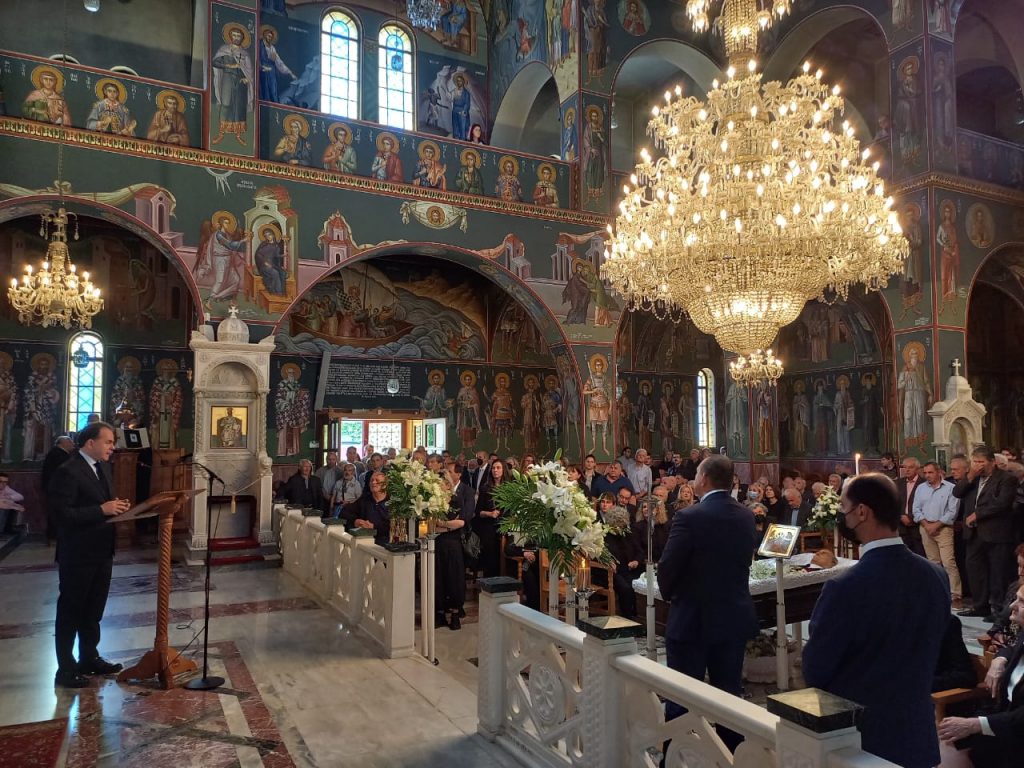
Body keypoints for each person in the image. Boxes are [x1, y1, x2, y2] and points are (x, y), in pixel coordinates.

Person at [802, 473, 950, 768]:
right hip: (916, 734)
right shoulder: (936, 575)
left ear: (861, 512)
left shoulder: (846, 587)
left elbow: (816, 668)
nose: (842, 516)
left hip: (862, 739)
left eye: (844, 508)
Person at [657, 455, 758, 752]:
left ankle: (676, 757)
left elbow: (669, 567)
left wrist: (670, 595)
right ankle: (731, 755)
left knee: (682, 696)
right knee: (729, 696)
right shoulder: (746, 515)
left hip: (693, 618)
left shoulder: (690, 517)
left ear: (704, 479)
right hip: (732, 617)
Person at [49, 422, 131, 688]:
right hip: (78, 553)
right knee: (71, 611)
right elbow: (61, 515)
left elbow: (102, 503)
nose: (112, 447)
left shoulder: (103, 467)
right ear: (90, 443)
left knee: (94, 610)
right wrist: (102, 510)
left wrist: (116, 507)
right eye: (108, 442)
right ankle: (65, 668)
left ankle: (89, 658)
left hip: (102, 550)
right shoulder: (68, 471)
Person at [938, 581, 1024, 765]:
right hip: (1004, 720)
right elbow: (1011, 648)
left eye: (1021, 601)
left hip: (1016, 732)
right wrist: (1000, 659)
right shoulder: (1022, 635)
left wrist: (977, 724)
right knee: (949, 741)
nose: (1012, 606)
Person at [955, 446, 1018, 620]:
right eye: (975, 461)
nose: (978, 465)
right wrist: (970, 476)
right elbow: (957, 492)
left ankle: (998, 610)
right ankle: (980, 606)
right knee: (975, 570)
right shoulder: (973, 478)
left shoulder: (1006, 479)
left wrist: (978, 514)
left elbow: (1002, 503)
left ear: (992, 462)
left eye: (981, 462)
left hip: (996, 533)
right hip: (973, 533)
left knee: (998, 572)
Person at [436, 468, 473, 630]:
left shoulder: (456, 501)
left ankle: (455, 614)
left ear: (448, 484)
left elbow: (460, 523)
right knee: (439, 579)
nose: (441, 486)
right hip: (437, 543)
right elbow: (430, 526)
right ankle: (440, 613)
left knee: (454, 578)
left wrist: (442, 525)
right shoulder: (434, 503)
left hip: (453, 544)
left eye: (443, 483)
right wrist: (446, 526)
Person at [602, 505, 643, 619]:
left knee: (637, 585)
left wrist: (636, 561)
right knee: (625, 587)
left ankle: (638, 615)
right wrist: (608, 561)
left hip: (628, 569)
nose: (619, 527)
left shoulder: (628, 534)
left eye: (621, 524)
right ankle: (627, 617)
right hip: (610, 572)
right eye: (616, 524)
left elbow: (640, 552)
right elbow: (597, 555)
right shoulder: (604, 535)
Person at [473, 459, 507, 578]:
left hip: (505, 527)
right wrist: (490, 513)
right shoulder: (485, 488)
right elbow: (478, 512)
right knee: (490, 559)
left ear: (503, 470)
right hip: (489, 528)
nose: (495, 470)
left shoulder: (509, 488)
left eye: (498, 468)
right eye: (493, 468)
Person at [41, 435, 75, 541]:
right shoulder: (58, 454)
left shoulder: (58, 453)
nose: (73, 444)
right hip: (57, 489)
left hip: (55, 489)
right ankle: (55, 535)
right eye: (70, 442)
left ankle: (55, 535)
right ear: (63, 443)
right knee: (57, 512)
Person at [344, 471, 390, 545]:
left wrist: (374, 526)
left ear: (384, 485)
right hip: (365, 542)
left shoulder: (392, 502)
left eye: (377, 481)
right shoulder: (364, 499)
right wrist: (355, 521)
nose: (373, 482)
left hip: (386, 543)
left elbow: (393, 525)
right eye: (371, 480)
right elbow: (345, 512)